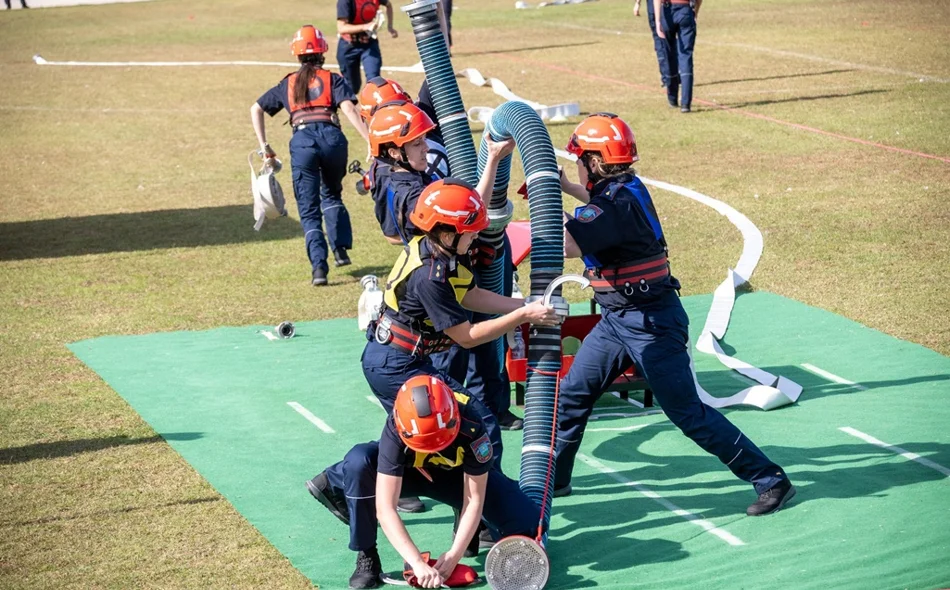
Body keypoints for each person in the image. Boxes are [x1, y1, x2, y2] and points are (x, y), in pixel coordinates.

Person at [553, 113, 796, 517]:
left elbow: (570, 245)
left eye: (580, 159)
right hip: (618, 320)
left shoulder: (613, 205)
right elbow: (598, 209)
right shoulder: (624, 189)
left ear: (595, 162)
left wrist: (546, 203)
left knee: (687, 414)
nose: (577, 166)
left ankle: (771, 479)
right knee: (573, 394)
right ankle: (555, 480)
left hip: (650, 324)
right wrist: (566, 188)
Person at [363, 101, 524, 431]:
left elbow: (468, 216)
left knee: (455, 418)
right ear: (394, 151)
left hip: (424, 332)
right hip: (417, 339)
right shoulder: (414, 206)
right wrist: (523, 314)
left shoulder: (416, 181)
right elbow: (466, 336)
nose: (426, 148)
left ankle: (488, 409)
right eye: (416, 143)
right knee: (445, 417)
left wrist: (523, 306)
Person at [307, 375, 543, 589]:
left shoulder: (472, 424)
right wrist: (416, 562)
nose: (431, 450)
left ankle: (465, 521)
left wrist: (454, 555)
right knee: (358, 462)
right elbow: (386, 507)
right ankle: (366, 554)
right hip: (409, 474)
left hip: (455, 477)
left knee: (526, 518)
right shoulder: (396, 425)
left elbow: (474, 500)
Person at [251, 25, 369, 286]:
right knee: (332, 194)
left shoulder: (287, 82)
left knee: (308, 208)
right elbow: (349, 110)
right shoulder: (333, 79)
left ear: (297, 55)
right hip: (333, 139)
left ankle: (319, 269)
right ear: (322, 52)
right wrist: (371, 141)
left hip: (302, 142)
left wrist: (265, 147)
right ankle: (340, 250)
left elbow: (255, 109)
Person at [337, 0, 398, 95]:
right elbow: (341, 28)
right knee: (352, 87)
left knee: (374, 81)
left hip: (369, 43)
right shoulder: (345, 1)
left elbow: (388, 5)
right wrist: (365, 26)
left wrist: (390, 27)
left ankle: (372, 103)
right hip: (349, 45)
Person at [653, 0, 701, 112]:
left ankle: (672, 98)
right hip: (686, 10)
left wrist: (657, 21)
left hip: (668, 11)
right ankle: (685, 103)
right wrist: (695, 12)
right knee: (686, 57)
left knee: (669, 56)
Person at [634, 0, 674, 106]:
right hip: (671, 8)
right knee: (669, 42)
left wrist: (637, 3)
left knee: (660, 42)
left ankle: (667, 77)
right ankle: (672, 76)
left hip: (657, 7)